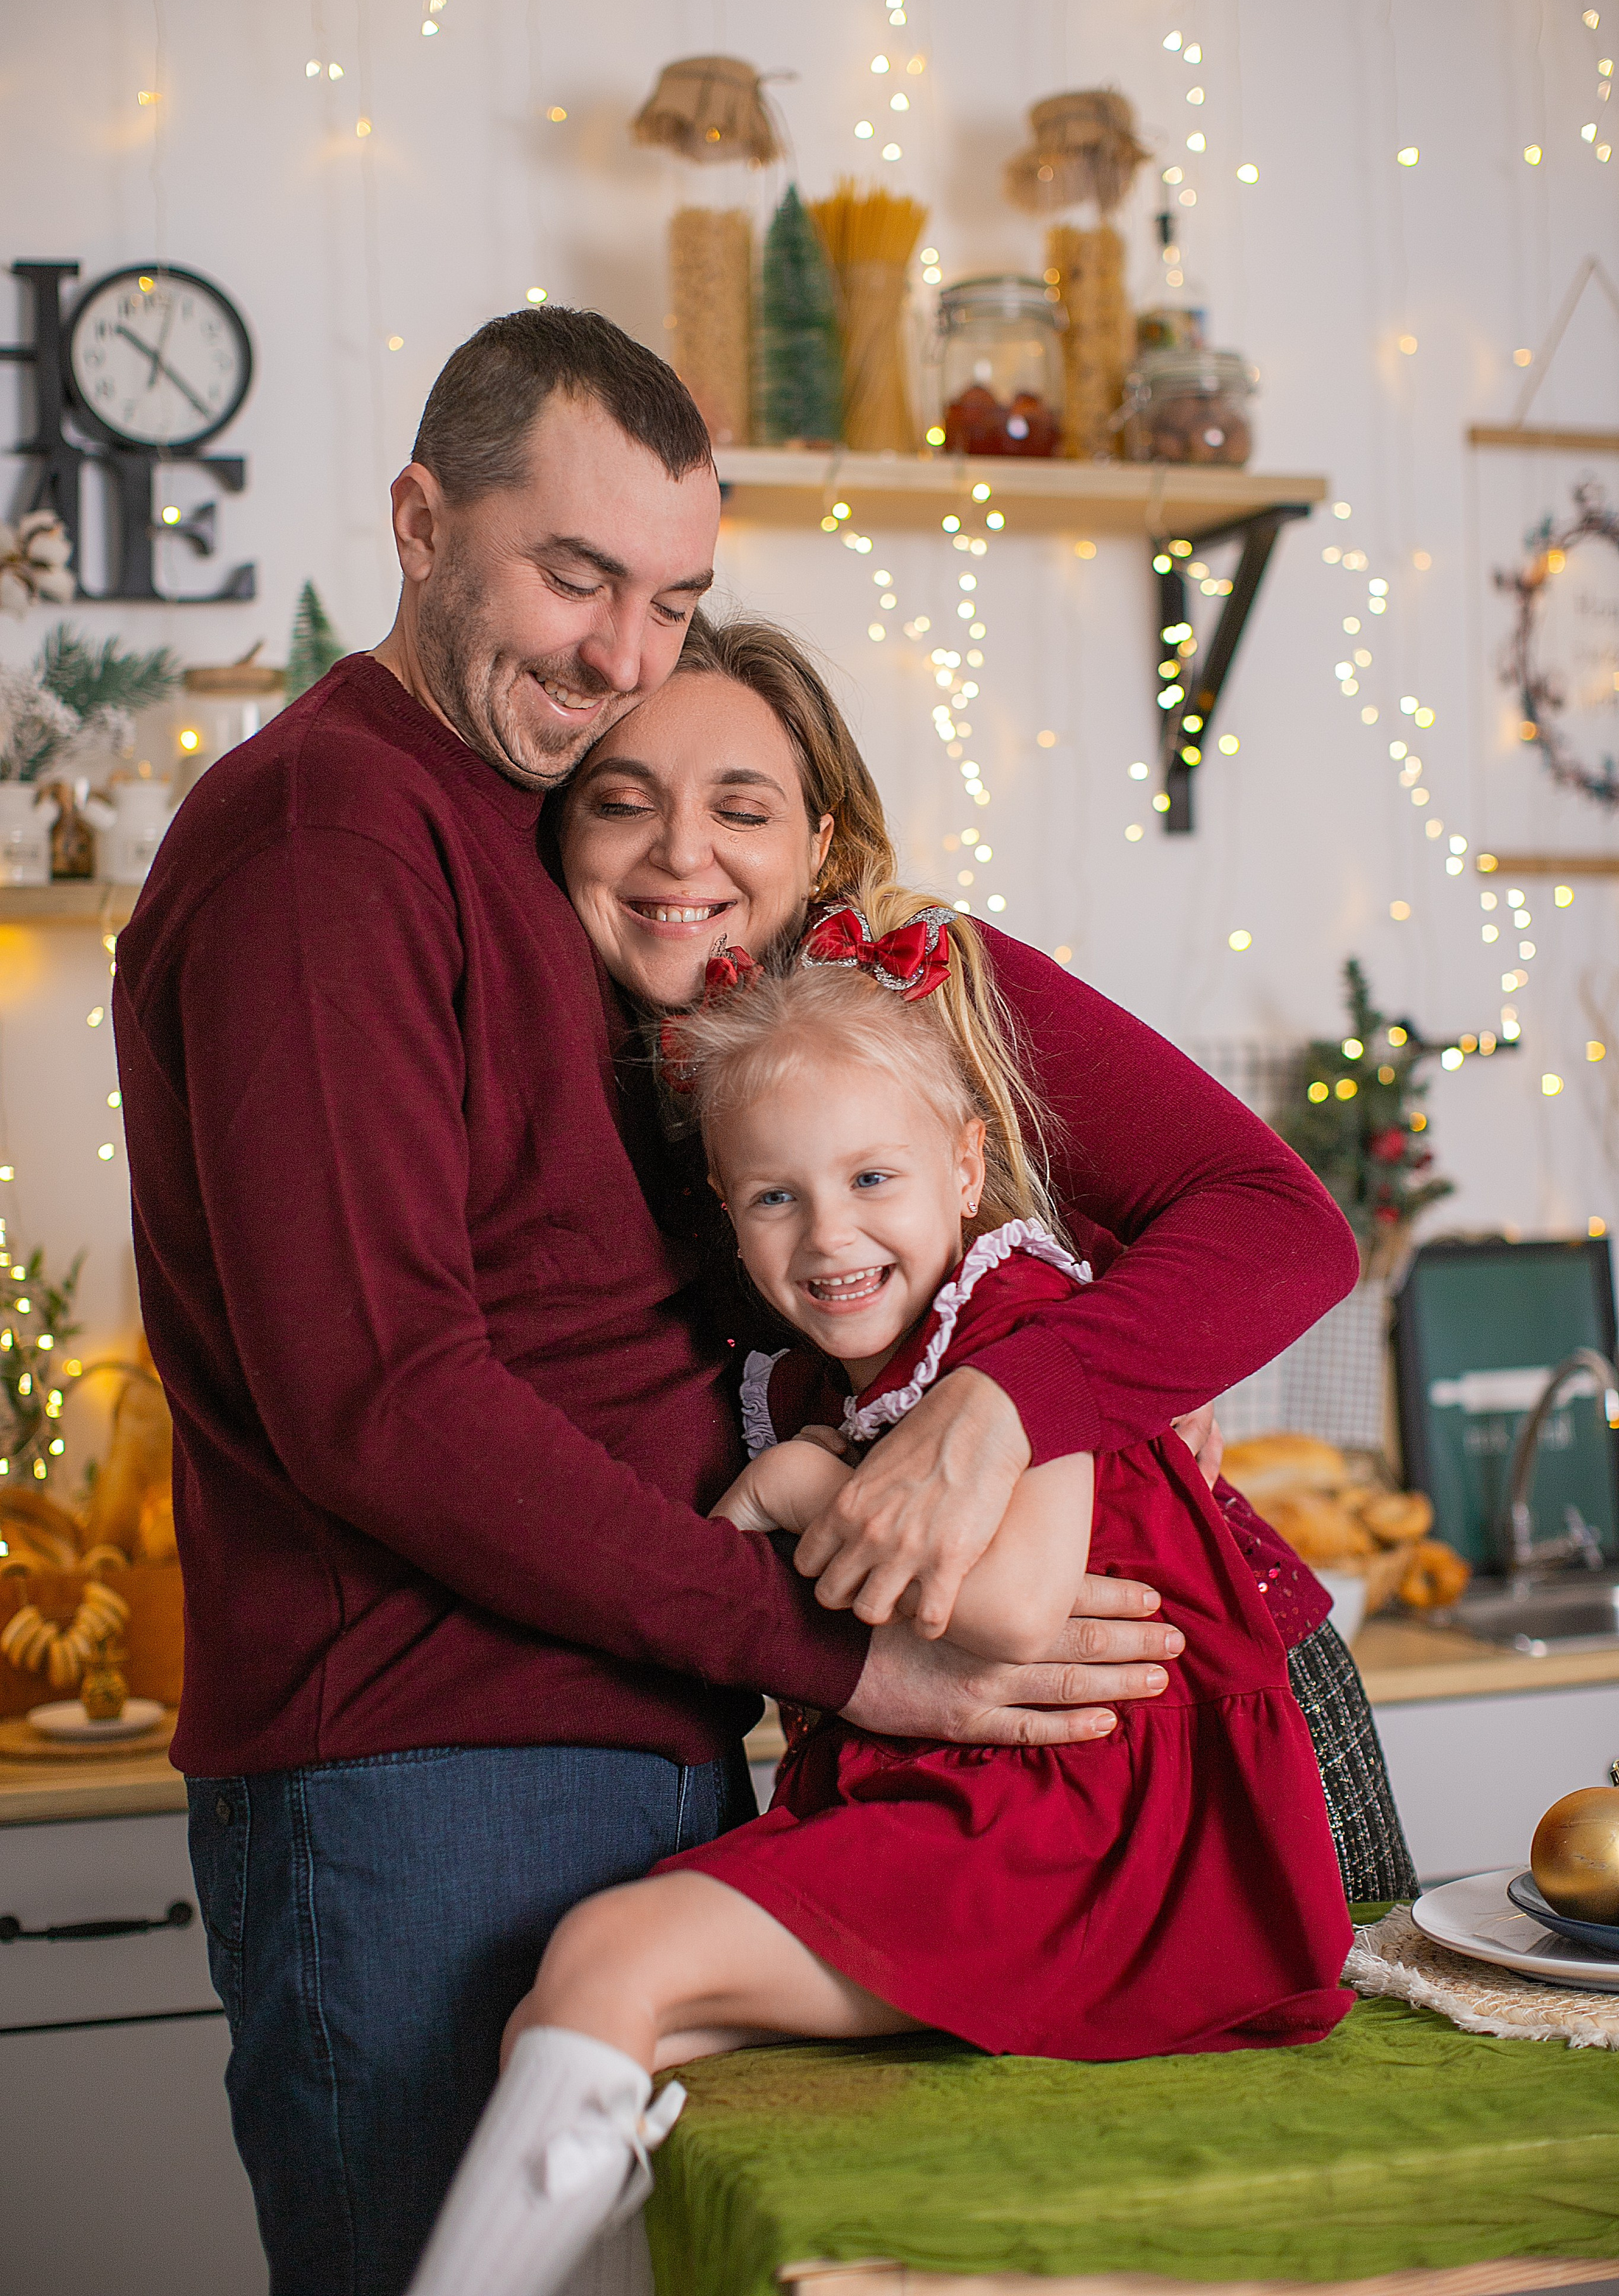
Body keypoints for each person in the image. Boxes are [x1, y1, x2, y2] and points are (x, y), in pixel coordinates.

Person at [113, 307, 1314, 2296]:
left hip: (670, 1742)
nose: (616, 658)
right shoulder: (339, 832)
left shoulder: (830, 967)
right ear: (421, 522)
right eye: (573, 576)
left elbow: (1258, 1218)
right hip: (428, 1768)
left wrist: (996, 1414)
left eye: (669, 598)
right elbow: (384, 1400)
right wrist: (832, 1641)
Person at [408, 902, 1355, 2296]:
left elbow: (1021, 1608)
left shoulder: (1015, 1312)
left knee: (610, 1954)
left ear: (966, 1168)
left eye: (870, 1179)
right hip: (994, 1815)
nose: (828, 1236)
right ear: (726, 1218)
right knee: (584, 2013)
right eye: (775, 1198)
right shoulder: (838, 1372)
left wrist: (797, 1489)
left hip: (1090, 1845)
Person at [550, 615, 1417, 1906]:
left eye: (743, 809)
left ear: (820, 842)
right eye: (623, 805)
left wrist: (1012, 1400)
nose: (684, 853)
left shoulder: (933, 989)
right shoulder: (548, 1046)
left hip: (1176, 1701)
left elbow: (1279, 1225)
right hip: (903, 1747)